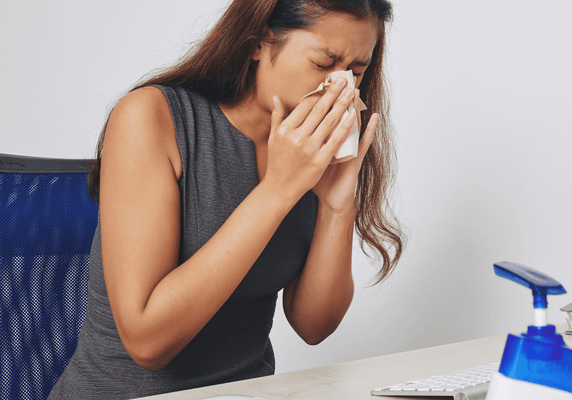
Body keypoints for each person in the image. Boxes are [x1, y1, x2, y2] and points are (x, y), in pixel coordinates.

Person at [48, 0, 403, 398]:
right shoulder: (150, 117)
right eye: (323, 64)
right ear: (258, 41)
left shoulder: (311, 150)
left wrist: (337, 205)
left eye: (356, 71)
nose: (340, 89)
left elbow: (313, 327)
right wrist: (277, 191)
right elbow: (147, 342)